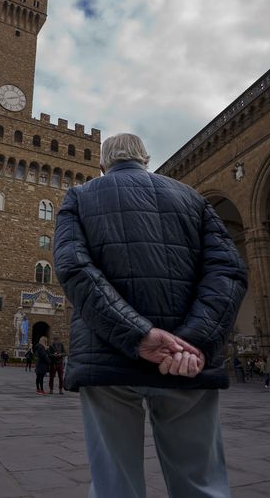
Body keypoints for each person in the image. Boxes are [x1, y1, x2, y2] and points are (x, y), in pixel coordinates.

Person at [53, 133, 247, 497]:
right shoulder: (193, 199)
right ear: (147, 160)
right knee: (201, 484)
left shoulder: (79, 197)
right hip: (184, 361)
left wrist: (138, 335)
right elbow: (229, 272)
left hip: (107, 359)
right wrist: (194, 342)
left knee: (114, 485)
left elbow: (74, 269)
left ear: (101, 166)